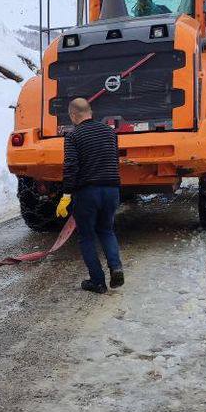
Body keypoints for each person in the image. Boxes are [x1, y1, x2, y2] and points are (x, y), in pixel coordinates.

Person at [62, 97, 124, 294]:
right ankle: (116, 267)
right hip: (112, 190)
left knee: (87, 236)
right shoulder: (110, 132)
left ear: (73, 115)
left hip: (87, 192)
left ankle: (97, 282)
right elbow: (114, 159)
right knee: (106, 230)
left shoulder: (73, 136)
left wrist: (66, 194)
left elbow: (71, 166)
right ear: (91, 112)